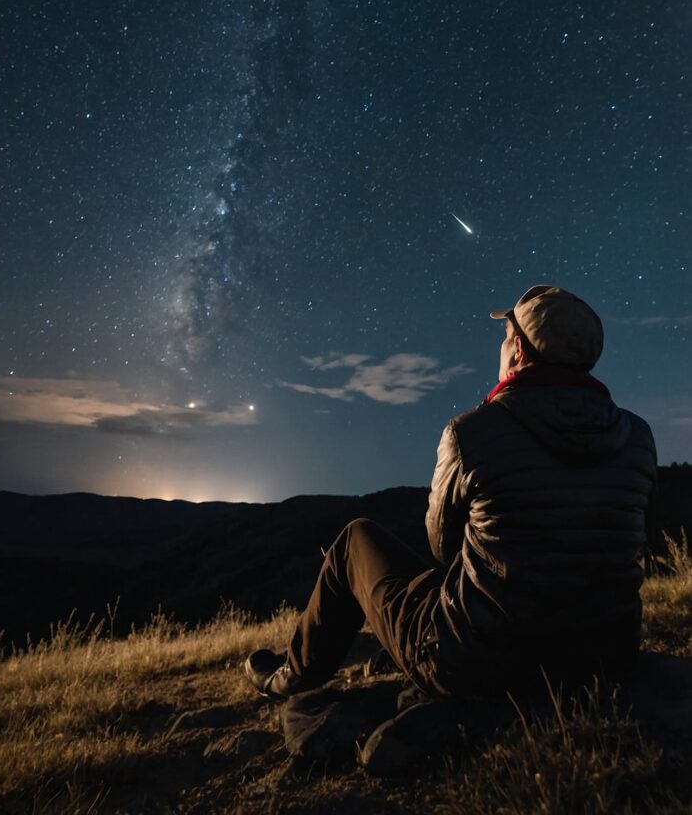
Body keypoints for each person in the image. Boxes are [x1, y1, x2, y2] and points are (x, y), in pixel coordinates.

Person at [245, 285, 657, 704]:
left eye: (504, 337)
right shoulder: (638, 437)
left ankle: (289, 678)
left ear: (517, 349)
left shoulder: (471, 432)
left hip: (480, 661)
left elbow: (441, 547)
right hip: (604, 656)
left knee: (355, 541)